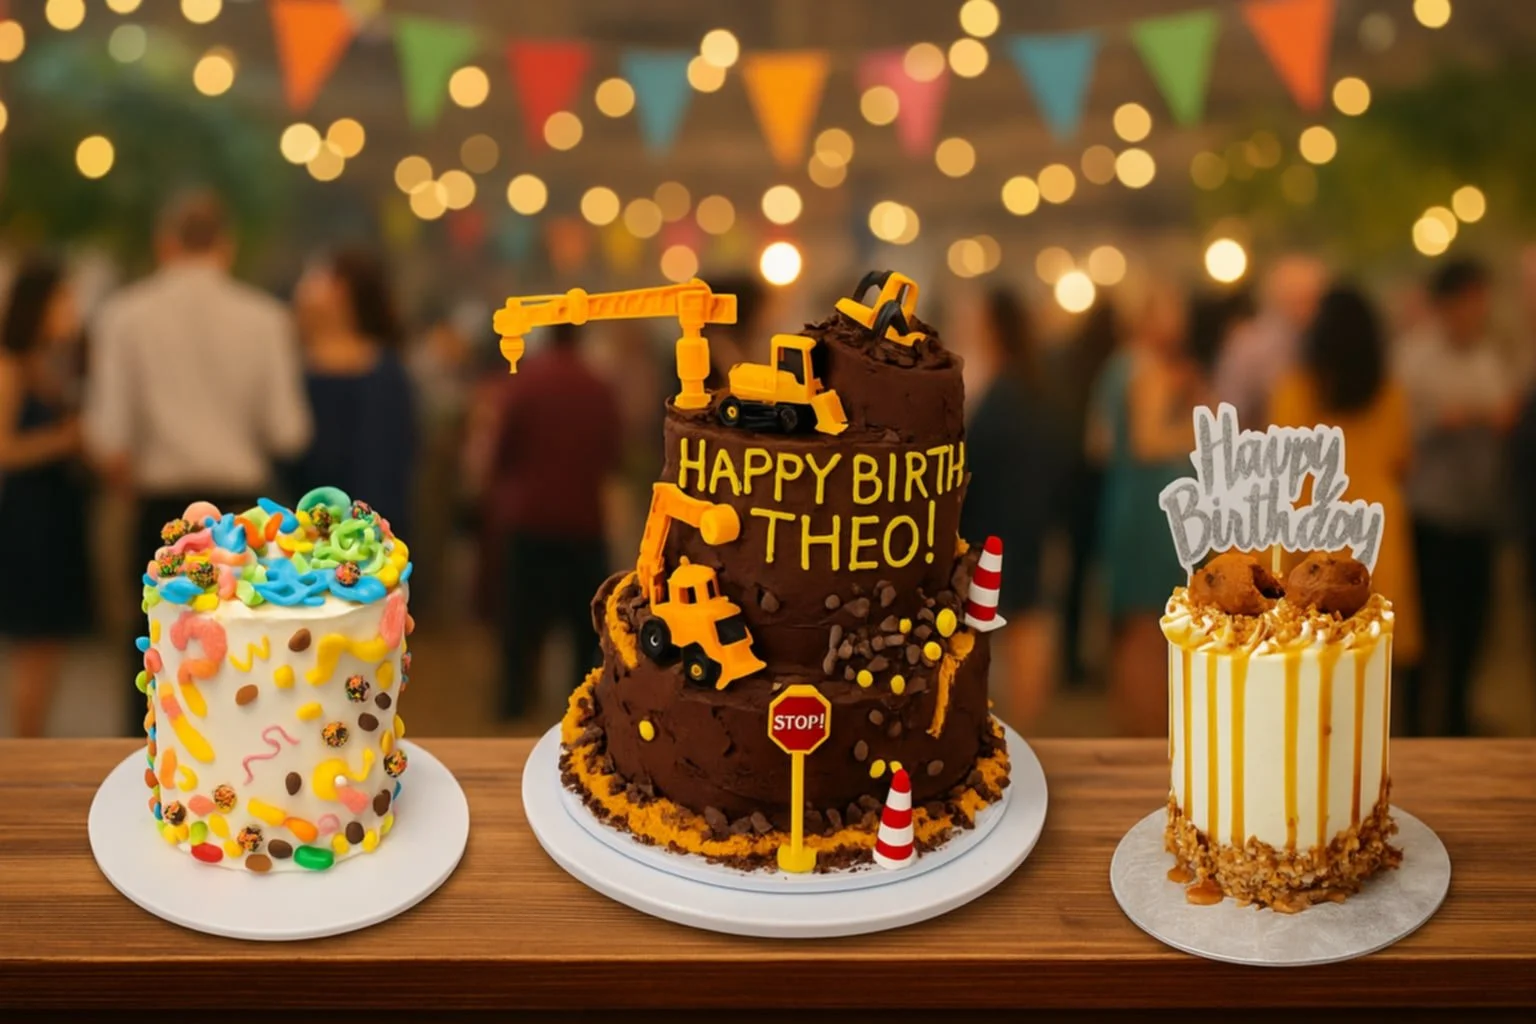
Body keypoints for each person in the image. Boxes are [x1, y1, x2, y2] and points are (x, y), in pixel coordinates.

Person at [84, 190, 311, 735]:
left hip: (163, 516)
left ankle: (154, 780)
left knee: (155, 658)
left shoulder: (123, 315)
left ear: (164, 243)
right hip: (242, 519)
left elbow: (105, 433)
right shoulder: (266, 318)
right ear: (226, 247)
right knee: (247, 661)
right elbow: (290, 432)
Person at [1270, 286, 1423, 727]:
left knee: (1314, 664)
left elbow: (1283, 468)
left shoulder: (1294, 389)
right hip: (1376, 529)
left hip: (1313, 529)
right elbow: (1402, 458)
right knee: (1378, 660)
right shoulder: (1389, 392)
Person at [1396, 259, 1516, 736]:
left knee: (1471, 632)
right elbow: (1403, 430)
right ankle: (1416, 731)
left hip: (1479, 515)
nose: (1476, 310)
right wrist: (1453, 418)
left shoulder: (1490, 357)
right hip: (1430, 516)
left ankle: (1458, 722)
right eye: (1468, 301)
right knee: (1424, 635)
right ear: (1446, 305)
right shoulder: (1414, 357)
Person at [484, 321, 621, 719]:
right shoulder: (599, 387)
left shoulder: (525, 384)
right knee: (584, 627)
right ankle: (581, 708)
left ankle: (512, 705)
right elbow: (612, 453)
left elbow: (502, 450)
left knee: (520, 622)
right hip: (583, 520)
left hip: (529, 519)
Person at [1091, 283, 1205, 736]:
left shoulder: (1117, 366)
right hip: (1151, 508)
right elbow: (1147, 440)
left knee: (1133, 625)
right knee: (1151, 625)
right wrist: (1198, 435)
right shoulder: (1147, 366)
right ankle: (1151, 730)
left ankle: (1133, 723)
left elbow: (1098, 442)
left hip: (1126, 500)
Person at [956, 287, 1066, 728]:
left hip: (1000, 520)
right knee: (1025, 618)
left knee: (1013, 624)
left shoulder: (1005, 389)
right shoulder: (1032, 382)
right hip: (1027, 518)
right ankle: (1026, 726)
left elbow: (977, 458)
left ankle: (1022, 731)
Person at [0, 261, 91, 736]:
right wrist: (65, 439)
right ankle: (24, 753)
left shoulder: (47, 363)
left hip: (56, 514)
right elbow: (4, 447)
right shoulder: (10, 365)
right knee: (32, 648)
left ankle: (32, 742)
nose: (71, 310)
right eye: (63, 299)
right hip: (29, 519)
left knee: (51, 647)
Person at [289, 249, 417, 542]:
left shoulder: (386, 374)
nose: (303, 287)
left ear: (342, 290)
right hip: (298, 532)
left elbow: (389, 468)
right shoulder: (290, 367)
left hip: (370, 536)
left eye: (317, 276)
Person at [1045, 301, 1120, 688]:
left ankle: (1069, 660)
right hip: (1102, 481)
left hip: (1069, 478)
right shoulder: (1115, 364)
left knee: (1073, 573)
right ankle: (1104, 655)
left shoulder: (1066, 358)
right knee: (1103, 571)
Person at [1213, 255, 1326, 428]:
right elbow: (1230, 407)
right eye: (1296, 301)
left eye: (1311, 301)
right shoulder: (1247, 345)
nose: (1304, 311)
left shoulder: (1324, 347)